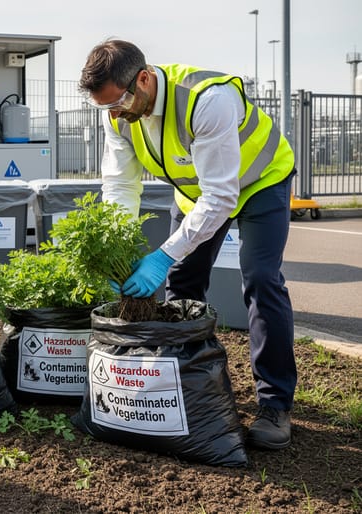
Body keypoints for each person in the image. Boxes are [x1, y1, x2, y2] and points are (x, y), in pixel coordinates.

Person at [78, 39, 296, 450]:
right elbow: (121, 186)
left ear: (144, 78)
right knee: (183, 282)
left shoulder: (206, 100)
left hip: (261, 181)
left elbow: (221, 197)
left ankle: (275, 403)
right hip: (199, 195)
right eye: (105, 106)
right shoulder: (117, 114)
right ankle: (184, 382)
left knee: (262, 280)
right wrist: (120, 255)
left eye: (121, 100)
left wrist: (161, 255)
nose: (116, 112)